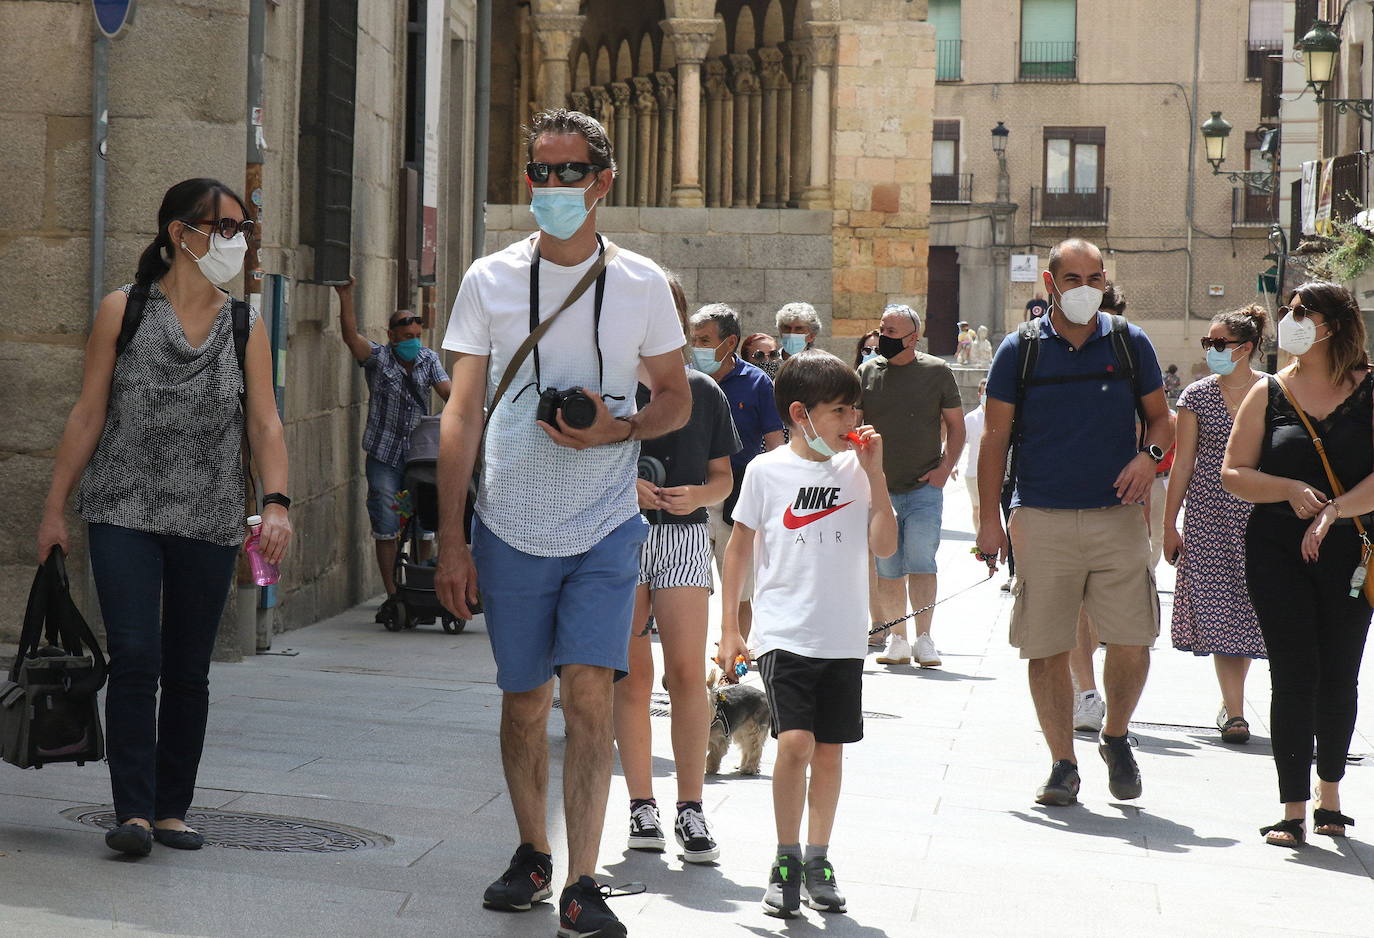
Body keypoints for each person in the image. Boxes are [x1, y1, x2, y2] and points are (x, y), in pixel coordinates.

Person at [435, 108, 691, 933]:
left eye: (568, 171)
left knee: (589, 696)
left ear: (602, 181)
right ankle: (531, 851)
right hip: (508, 518)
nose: (550, 187)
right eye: (539, 172)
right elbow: (461, 413)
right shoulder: (489, 279)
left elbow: (676, 398)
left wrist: (622, 427)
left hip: (608, 519)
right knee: (523, 703)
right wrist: (450, 537)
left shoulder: (645, 284)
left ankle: (583, 880)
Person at [35, 177, 292, 856]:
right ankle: (134, 813)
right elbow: (88, 412)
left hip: (208, 517)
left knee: (187, 667)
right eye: (224, 228)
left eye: (242, 229)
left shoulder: (246, 325)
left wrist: (276, 503)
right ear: (181, 234)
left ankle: (172, 808)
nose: (236, 242)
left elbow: (265, 424)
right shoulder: (123, 310)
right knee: (136, 656)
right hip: (123, 508)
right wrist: (55, 509)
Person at [977, 238, 1172, 807]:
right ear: (1049, 283)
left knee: (1134, 640)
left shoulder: (1131, 343)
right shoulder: (1021, 350)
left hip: (1118, 518)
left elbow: (1161, 421)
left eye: (1095, 278)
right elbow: (994, 440)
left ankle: (1114, 735)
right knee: (1046, 646)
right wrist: (989, 520)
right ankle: (1063, 762)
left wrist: (1149, 459)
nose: (1085, 289)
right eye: (1073, 279)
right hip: (1040, 516)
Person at [716, 349, 897, 919]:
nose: (852, 422)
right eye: (840, 410)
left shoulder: (857, 470)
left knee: (830, 750)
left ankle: (818, 858)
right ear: (801, 413)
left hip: (843, 634)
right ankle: (785, 858)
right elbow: (739, 548)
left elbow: (886, 546)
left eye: (855, 409)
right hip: (783, 631)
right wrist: (728, 628)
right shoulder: (766, 472)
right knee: (793, 742)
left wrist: (877, 475)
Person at [1222, 281, 1373, 848]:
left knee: (1339, 672)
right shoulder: (1269, 391)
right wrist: (1285, 488)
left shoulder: (1371, 390)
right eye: (1288, 312)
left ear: (1330, 326)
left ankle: (1331, 797)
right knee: (1292, 674)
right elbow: (1232, 472)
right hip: (1276, 553)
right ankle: (1292, 809)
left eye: (1299, 312)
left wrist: (1334, 511)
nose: (1288, 321)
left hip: (1351, 552)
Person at [613, 272, 739, 864]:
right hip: (617, 538)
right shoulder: (606, 390)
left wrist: (698, 497)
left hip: (684, 539)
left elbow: (723, 476)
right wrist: (623, 486)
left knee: (687, 675)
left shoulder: (701, 391)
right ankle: (642, 804)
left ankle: (691, 806)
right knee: (630, 678)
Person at [1165, 306, 1268, 744]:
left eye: (1218, 344)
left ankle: (1233, 700)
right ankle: (1236, 709)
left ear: (1245, 348)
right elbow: (1182, 463)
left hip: (1260, 515)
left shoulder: (1274, 392)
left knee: (1249, 609)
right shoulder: (1196, 396)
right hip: (1207, 516)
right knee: (1220, 607)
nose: (1210, 350)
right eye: (1207, 343)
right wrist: (1169, 524)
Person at [333, 277, 451, 625]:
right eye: (406, 337)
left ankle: (423, 584)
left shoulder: (429, 360)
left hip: (417, 457)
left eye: (417, 336)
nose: (413, 342)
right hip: (384, 455)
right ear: (392, 336)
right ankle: (392, 592)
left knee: (424, 519)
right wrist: (346, 297)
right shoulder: (379, 359)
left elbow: (451, 395)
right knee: (385, 521)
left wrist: (455, 421)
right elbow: (351, 338)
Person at [858, 304, 965, 668]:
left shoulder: (937, 371)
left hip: (923, 488)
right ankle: (897, 639)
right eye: (882, 329)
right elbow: (855, 425)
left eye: (892, 332)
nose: (884, 337)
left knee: (921, 561)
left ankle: (924, 638)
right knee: (887, 567)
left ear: (912, 337)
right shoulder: (867, 372)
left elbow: (956, 426)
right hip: (879, 491)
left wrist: (944, 468)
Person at [690, 303, 786, 641]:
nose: (697, 347)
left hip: (740, 499)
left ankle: (735, 663)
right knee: (687, 588)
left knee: (741, 589)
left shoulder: (757, 382)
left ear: (729, 342)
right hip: (690, 499)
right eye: (694, 340)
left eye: (704, 340)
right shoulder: (683, 379)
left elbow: (776, 443)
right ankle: (686, 664)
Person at [958, 378, 988, 535]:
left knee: (989, 508)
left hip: (994, 472)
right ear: (979, 395)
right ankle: (979, 538)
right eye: (984, 393)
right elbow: (959, 443)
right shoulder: (971, 418)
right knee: (977, 507)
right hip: (973, 472)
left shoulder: (1000, 418)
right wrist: (953, 465)